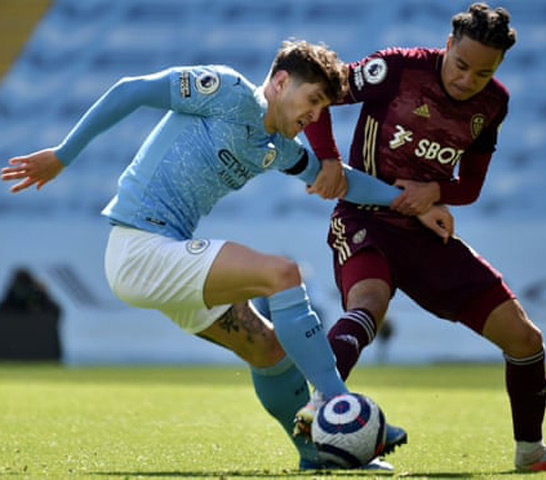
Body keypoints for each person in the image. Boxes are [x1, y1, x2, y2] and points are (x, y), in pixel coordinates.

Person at [1, 40, 452, 471]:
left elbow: (342, 181)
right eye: (311, 100)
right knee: (283, 274)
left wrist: (411, 203)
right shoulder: (228, 91)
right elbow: (131, 90)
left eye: (321, 109)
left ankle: (314, 451)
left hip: (164, 257)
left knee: (271, 350)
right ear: (279, 82)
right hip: (139, 247)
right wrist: (63, 155)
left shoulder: (277, 149)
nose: (314, 115)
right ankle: (337, 404)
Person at [302, 4, 546, 473]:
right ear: (447, 45)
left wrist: (435, 191)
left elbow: (471, 185)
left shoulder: (493, 104)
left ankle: (531, 452)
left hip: (423, 234)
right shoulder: (397, 68)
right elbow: (316, 93)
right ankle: (320, 409)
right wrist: (329, 159)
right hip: (364, 218)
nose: (467, 80)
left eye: (483, 73)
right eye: (461, 65)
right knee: (367, 305)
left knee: (525, 339)